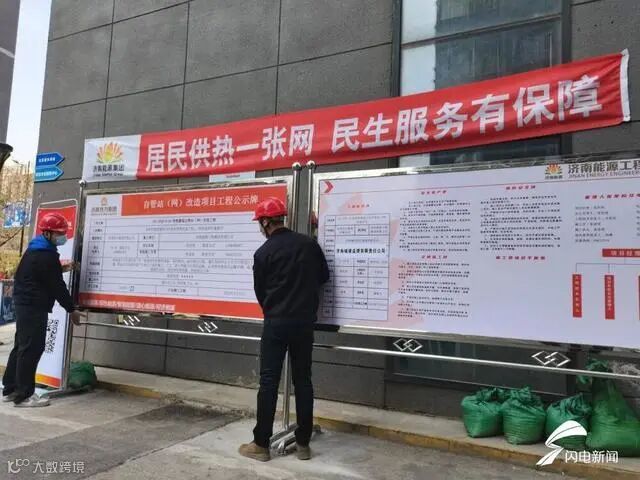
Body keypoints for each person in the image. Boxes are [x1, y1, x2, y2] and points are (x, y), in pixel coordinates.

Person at [239, 197, 329, 462]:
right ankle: (303, 444)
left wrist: (276, 306)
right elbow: (324, 277)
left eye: (260, 222)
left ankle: (261, 445)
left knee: (268, 382)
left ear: (266, 222)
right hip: (304, 323)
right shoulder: (309, 245)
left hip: (276, 323)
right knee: (303, 381)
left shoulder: (263, 253)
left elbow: (260, 292)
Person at [2, 212, 83, 407]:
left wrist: (61, 268)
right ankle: (24, 396)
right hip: (33, 306)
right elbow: (56, 286)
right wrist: (71, 309)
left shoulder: (35, 249)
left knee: (22, 346)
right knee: (32, 348)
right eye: (59, 233)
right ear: (47, 233)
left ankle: (11, 388)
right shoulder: (46, 255)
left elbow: (41, 273)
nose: (62, 237)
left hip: (24, 303)